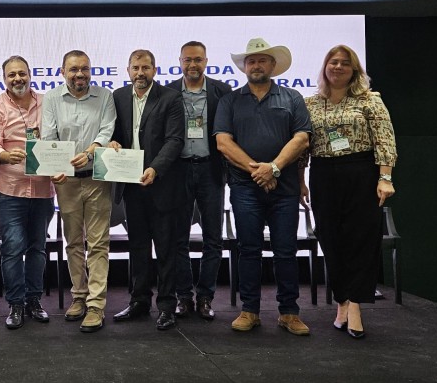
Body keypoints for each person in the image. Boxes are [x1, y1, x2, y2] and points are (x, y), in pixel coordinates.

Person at [214, 37, 312, 335]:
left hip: (285, 190)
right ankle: (249, 310)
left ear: (273, 65)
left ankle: (289, 313)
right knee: (249, 250)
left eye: (262, 60)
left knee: (286, 251)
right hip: (244, 188)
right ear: (245, 67)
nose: (256, 65)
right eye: (251, 61)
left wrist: (274, 168)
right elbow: (223, 142)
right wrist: (258, 171)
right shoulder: (230, 100)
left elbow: (302, 138)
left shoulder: (292, 97)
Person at [300, 45, 397, 339]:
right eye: (333, 62)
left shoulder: (370, 100)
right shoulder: (310, 103)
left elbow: (384, 139)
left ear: (354, 69)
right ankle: (341, 300)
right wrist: (300, 180)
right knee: (330, 239)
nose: (338, 67)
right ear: (325, 67)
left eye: (345, 63)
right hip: (322, 173)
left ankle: (355, 304)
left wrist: (385, 177)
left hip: (360, 172)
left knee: (360, 240)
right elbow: (303, 144)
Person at [110, 49, 187, 331]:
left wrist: (155, 168)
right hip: (131, 186)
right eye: (135, 68)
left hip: (162, 185)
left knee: (166, 249)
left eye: (145, 67)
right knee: (138, 247)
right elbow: (115, 133)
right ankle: (139, 301)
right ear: (128, 70)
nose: (140, 73)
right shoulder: (118, 96)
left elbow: (175, 140)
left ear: (154, 70)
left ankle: (166, 306)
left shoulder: (171, 98)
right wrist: (113, 142)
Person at [42, 50, 117, 333]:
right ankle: (79, 296)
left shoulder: (105, 96)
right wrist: (56, 166)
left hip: (98, 178)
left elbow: (106, 131)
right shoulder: (52, 98)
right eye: (73, 69)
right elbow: (49, 136)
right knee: (73, 242)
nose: (80, 74)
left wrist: (90, 151)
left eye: (85, 69)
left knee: (98, 243)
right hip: (67, 181)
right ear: (63, 72)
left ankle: (96, 305)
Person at [0, 55, 55, 330]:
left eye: (22, 73)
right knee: (12, 248)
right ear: (4, 79)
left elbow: (59, 137)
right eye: (11, 75)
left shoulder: (48, 103)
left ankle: (34, 300)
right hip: (10, 191)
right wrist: (2, 155)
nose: (17, 79)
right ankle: (16, 304)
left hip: (44, 189)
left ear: (30, 74)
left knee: (38, 248)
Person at [167, 41, 231, 321]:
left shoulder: (222, 91)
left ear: (206, 61)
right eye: (187, 60)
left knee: (213, 238)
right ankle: (183, 296)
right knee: (177, 238)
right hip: (178, 171)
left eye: (198, 59)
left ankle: (205, 296)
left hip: (211, 170)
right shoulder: (168, 91)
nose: (192, 64)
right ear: (180, 61)